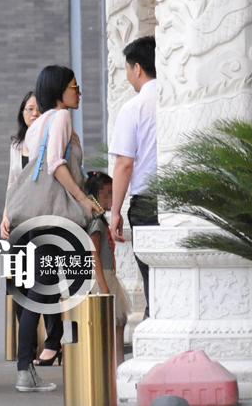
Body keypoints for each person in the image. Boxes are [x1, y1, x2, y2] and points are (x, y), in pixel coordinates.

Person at [13, 65, 102, 392]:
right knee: (70, 282)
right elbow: (54, 163)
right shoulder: (61, 117)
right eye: (74, 87)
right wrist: (83, 198)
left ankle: (29, 367)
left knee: (43, 288)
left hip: (39, 215)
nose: (79, 93)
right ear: (59, 90)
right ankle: (71, 360)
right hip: (58, 215)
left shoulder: (38, 123)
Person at [0, 91, 64, 367]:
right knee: (18, 282)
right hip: (19, 220)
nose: (34, 113)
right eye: (29, 109)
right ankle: (28, 341)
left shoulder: (50, 140)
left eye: (38, 109)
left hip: (43, 219)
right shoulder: (17, 145)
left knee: (45, 282)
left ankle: (52, 341)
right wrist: (5, 215)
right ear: (22, 113)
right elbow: (12, 182)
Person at [108, 36, 158, 319]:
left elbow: (124, 164)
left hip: (147, 203)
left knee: (152, 277)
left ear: (137, 68)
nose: (127, 76)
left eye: (127, 69)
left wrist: (115, 211)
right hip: (182, 202)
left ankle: (156, 325)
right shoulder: (174, 101)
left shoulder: (134, 108)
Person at [85, 171, 131, 366]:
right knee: (115, 323)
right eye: (108, 193)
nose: (112, 198)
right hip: (101, 277)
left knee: (118, 322)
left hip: (106, 276)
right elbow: (93, 253)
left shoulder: (99, 220)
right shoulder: (96, 221)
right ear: (96, 195)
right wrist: (103, 287)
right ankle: (115, 364)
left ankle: (116, 363)